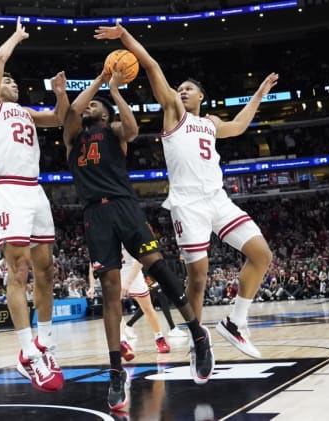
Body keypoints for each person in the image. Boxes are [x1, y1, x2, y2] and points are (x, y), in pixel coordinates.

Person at [96, 23, 277, 359]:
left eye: (188, 88)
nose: (181, 91)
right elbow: (151, 65)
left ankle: (235, 323)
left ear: (202, 96)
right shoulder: (172, 112)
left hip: (218, 199)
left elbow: (239, 125)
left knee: (262, 254)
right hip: (187, 204)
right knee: (197, 278)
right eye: (179, 88)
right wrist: (123, 36)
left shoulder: (210, 122)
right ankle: (199, 343)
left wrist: (260, 93)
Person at [63, 69, 213, 411]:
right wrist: (99, 80)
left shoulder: (113, 129)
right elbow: (72, 111)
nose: (90, 109)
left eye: (96, 107)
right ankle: (116, 372)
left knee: (158, 268)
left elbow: (132, 129)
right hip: (94, 216)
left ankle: (197, 333)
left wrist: (114, 94)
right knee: (111, 292)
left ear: (105, 114)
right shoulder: (73, 136)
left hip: (124, 207)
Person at [0, 17, 68, 393]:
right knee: (19, 272)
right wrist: (15, 38)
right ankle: (28, 352)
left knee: (46, 270)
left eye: (16, 81)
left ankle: (45, 344)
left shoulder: (28, 113)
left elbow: (60, 117)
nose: (12, 83)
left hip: (35, 189)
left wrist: (61, 93)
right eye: (7, 81)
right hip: (10, 191)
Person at [88, 246, 172, 355]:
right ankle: (124, 341)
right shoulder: (104, 236)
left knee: (146, 308)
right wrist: (92, 286)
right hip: (116, 275)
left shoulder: (123, 234)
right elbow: (93, 262)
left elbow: (140, 259)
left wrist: (92, 286)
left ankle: (157, 337)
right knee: (120, 310)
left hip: (132, 273)